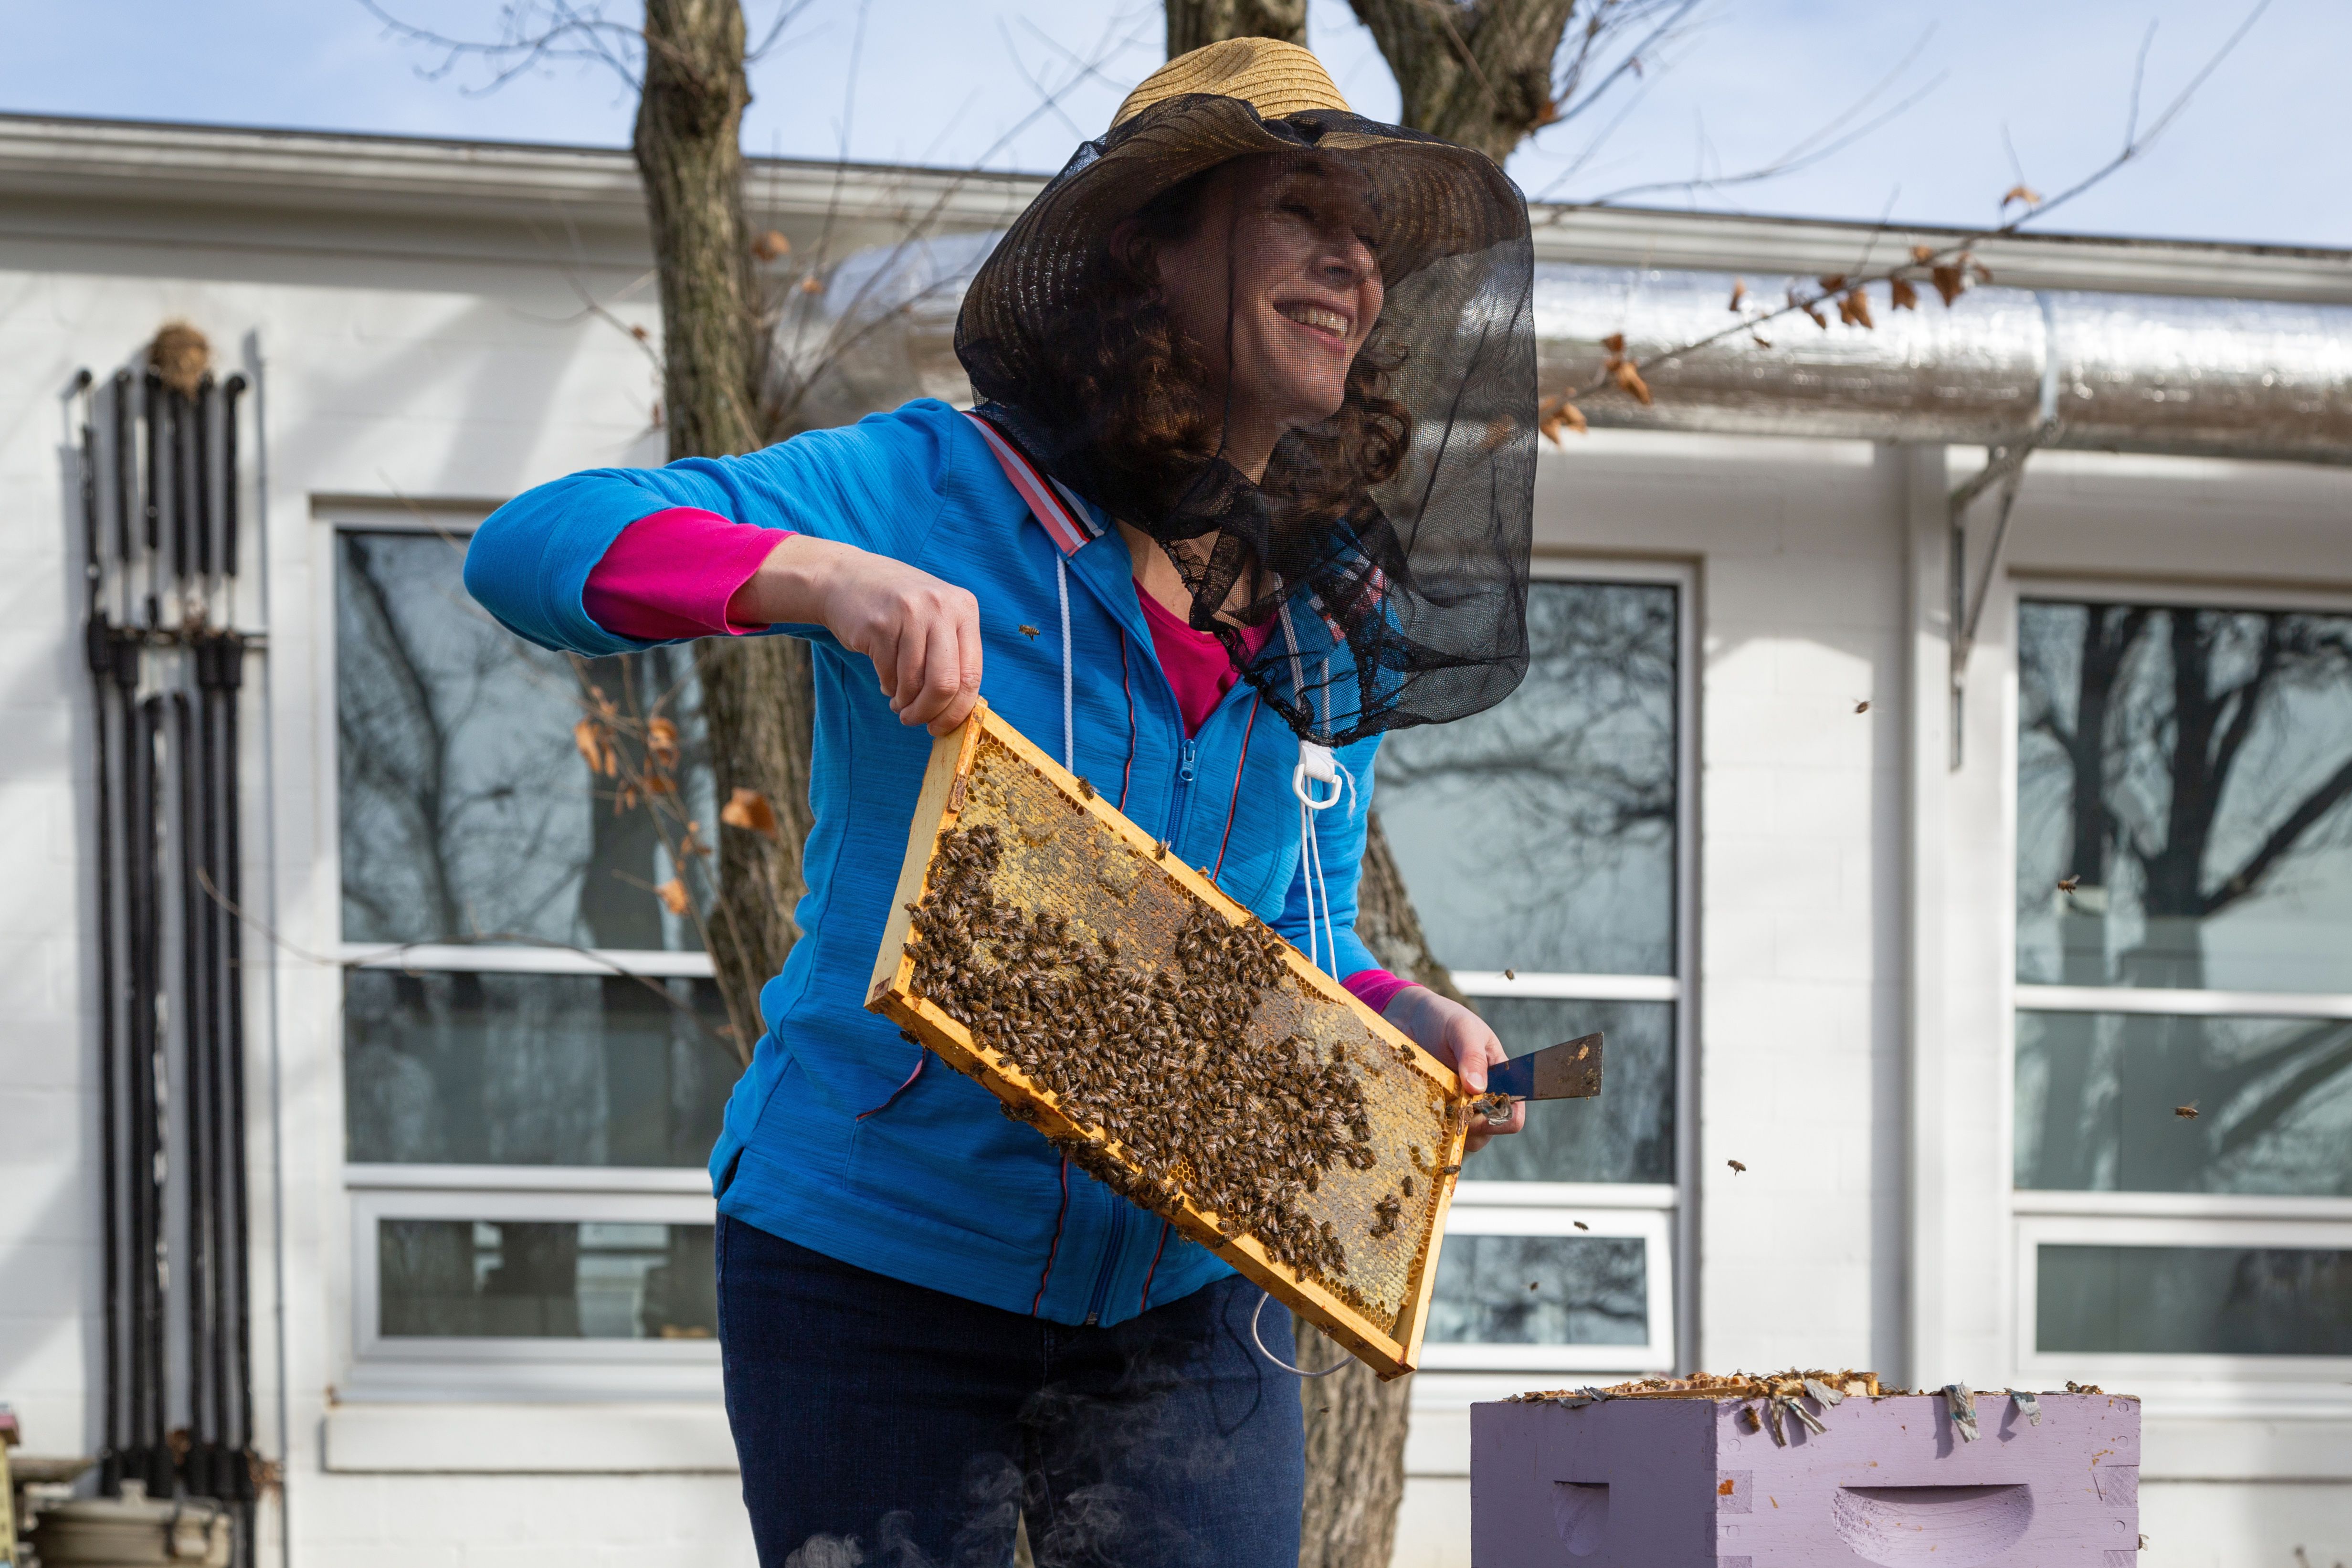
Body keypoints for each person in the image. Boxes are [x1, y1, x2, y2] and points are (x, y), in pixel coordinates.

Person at [464, 37, 1536, 1568]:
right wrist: (818, 577)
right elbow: (532, 546)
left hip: (1186, 1299)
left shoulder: (1320, 606)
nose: (1351, 266)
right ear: (1149, 249)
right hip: (870, 1269)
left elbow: (1297, 926)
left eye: (1369, 241)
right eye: (1303, 210)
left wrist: (1390, 1010)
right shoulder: (925, 487)